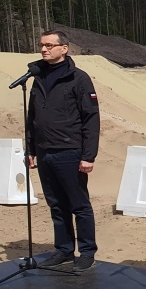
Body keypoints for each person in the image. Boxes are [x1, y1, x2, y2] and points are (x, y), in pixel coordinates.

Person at [26, 30, 100, 271]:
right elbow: (32, 117)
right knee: (56, 204)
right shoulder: (37, 77)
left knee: (79, 205)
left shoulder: (78, 78)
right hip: (44, 150)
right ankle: (64, 250)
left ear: (64, 48)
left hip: (70, 150)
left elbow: (91, 117)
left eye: (49, 45)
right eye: (41, 45)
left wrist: (88, 155)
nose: (44, 49)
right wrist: (31, 148)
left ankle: (87, 252)